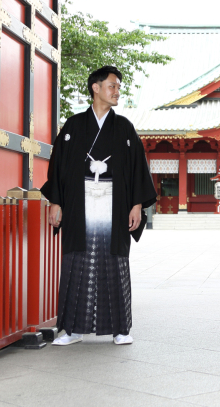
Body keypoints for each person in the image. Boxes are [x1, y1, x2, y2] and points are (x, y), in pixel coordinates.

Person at [41, 66, 157, 346]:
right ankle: (71, 328)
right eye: (112, 86)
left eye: (118, 87)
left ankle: (120, 328)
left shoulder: (125, 128)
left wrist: (137, 204)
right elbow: (58, 166)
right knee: (76, 261)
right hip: (80, 204)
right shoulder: (73, 126)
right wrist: (56, 202)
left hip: (114, 204)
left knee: (114, 262)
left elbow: (138, 169)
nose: (117, 91)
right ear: (95, 88)